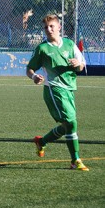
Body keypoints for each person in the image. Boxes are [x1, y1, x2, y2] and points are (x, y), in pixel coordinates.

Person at [26, 14, 89, 171]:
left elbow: (81, 66)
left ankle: (42, 142)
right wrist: (34, 76)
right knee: (71, 122)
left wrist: (77, 64)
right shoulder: (42, 48)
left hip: (69, 88)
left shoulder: (69, 44)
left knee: (66, 125)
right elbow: (29, 69)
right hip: (53, 90)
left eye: (52, 26)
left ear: (59, 27)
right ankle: (75, 160)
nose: (48, 29)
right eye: (46, 27)